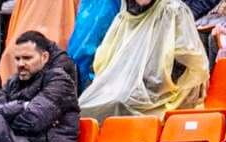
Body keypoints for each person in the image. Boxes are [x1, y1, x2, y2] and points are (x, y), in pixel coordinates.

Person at [78, 0, 207, 116]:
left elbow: (189, 64)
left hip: (161, 94)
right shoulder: (125, 17)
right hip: (123, 89)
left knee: (116, 104)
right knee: (83, 108)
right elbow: (105, 61)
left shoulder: (172, 11)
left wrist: (151, 87)